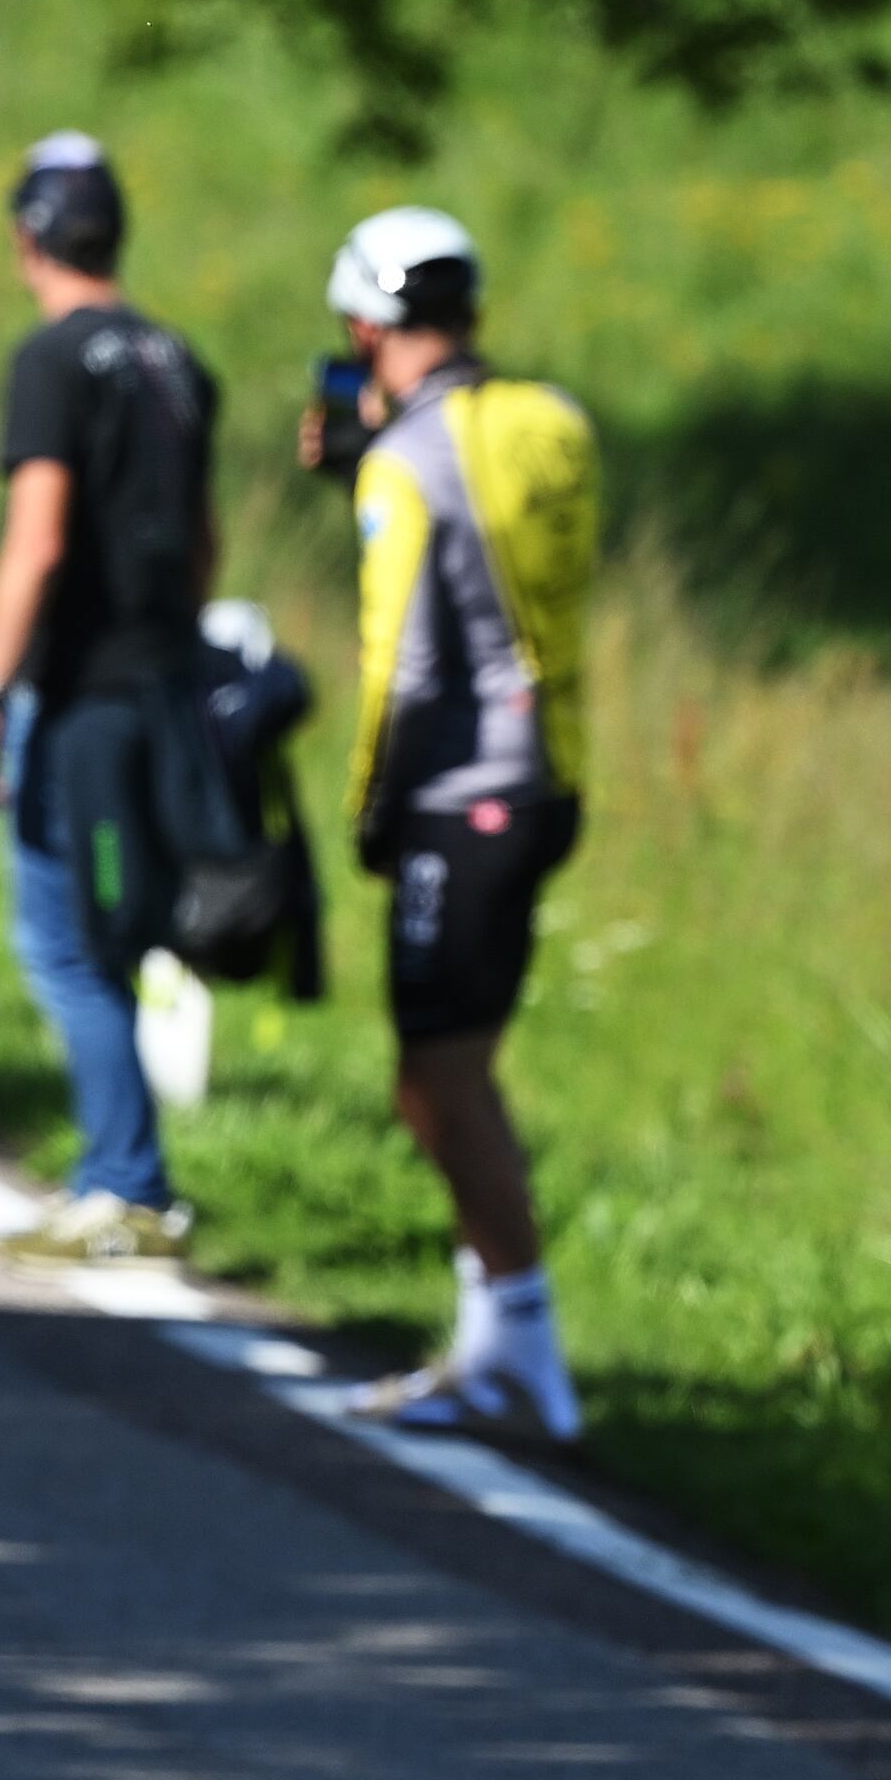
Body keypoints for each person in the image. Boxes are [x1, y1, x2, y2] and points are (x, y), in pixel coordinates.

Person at [309, 205, 601, 1437]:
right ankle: (494, 1346)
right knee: (441, 1071)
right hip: (541, 779)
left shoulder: (402, 463)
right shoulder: (540, 426)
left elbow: (405, 662)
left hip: (448, 795)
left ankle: (520, 1356)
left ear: (369, 325)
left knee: (441, 1077)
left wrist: (371, 806)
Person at [0, 133, 217, 1271]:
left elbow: (36, 542)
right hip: (163, 680)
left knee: (61, 942)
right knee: (112, 930)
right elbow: (201, 540)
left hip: (78, 692)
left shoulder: (51, 362)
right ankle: (122, 1171)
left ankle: (123, 1178)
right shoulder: (174, 358)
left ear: (26, 239)